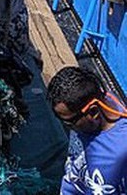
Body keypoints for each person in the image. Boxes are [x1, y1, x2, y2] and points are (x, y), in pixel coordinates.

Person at [48, 66, 127, 194]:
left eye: (70, 122)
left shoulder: (116, 155)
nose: (68, 126)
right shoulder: (106, 99)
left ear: (93, 111)